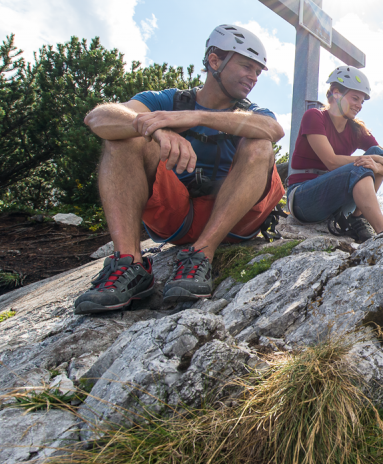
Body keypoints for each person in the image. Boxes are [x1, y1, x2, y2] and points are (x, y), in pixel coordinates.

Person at [73, 24, 285, 314]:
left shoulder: (251, 110)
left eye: (258, 72)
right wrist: (155, 129)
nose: (253, 77)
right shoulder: (167, 101)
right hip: (177, 216)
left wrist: (197, 116)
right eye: (247, 66)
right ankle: (129, 264)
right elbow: (98, 118)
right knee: (123, 138)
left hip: (235, 222)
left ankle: (202, 254)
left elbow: (273, 130)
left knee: (260, 144)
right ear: (214, 61)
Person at [286, 66, 383, 242]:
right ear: (336, 93)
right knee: (361, 165)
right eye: (355, 98)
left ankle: (356, 218)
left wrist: (376, 164)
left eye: (362, 102)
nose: (359, 106)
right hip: (303, 198)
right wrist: (374, 162)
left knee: (375, 153)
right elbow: (331, 161)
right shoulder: (314, 116)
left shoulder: (356, 129)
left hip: (337, 202)